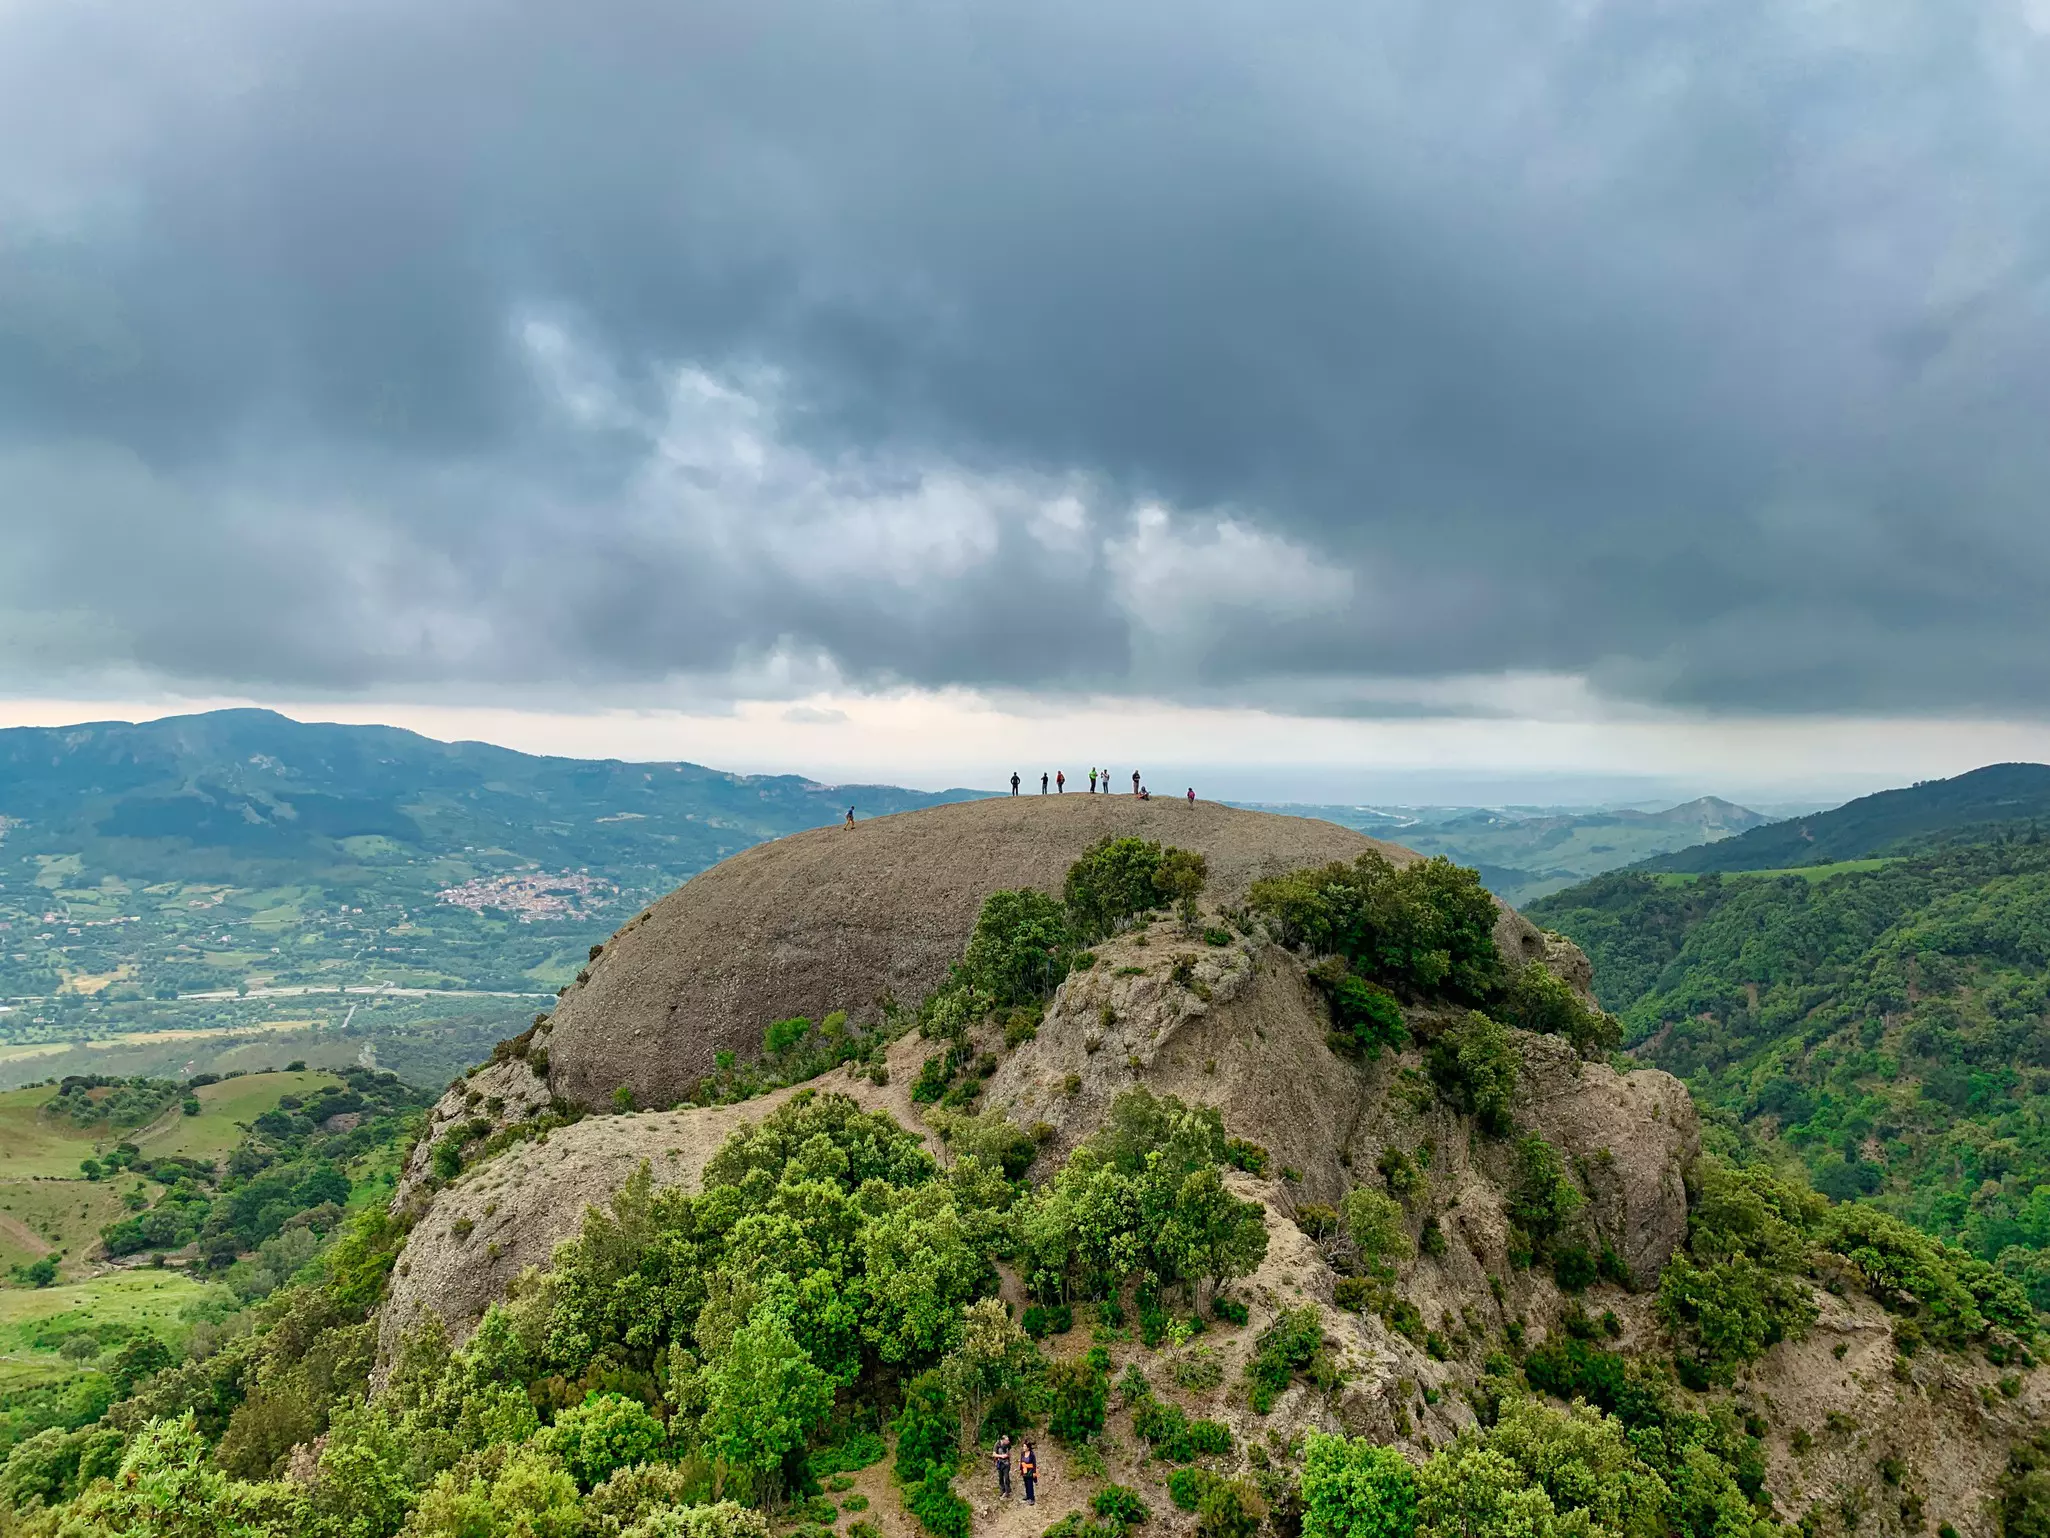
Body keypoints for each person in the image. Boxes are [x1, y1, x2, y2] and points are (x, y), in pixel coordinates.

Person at [993, 1433, 1012, 1498]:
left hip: (1006, 1463)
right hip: (999, 1463)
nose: (1008, 1441)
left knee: (1006, 1477)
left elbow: (1009, 1452)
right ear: (1003, 1440)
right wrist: (1001, 1456)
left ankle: (1007, 1491)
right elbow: (994, 1454)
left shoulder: (1008, 1445)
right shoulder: (997, 1444)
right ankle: (1002, 1490)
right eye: (1007, 1440)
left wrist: (1007, 1455)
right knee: (1000, 1477)